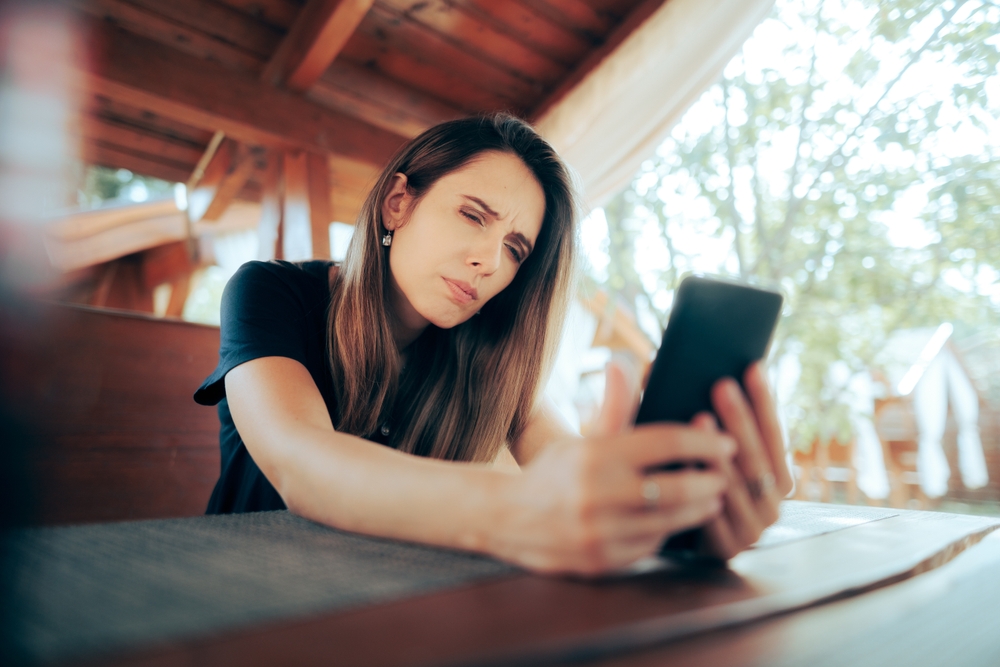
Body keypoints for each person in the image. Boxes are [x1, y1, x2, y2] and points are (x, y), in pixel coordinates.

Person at [194, 114, 792, 575]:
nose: (488, 260)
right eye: (473, 215)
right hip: (239, 594)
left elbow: (563, 462)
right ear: (398, 202)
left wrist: (652, 508)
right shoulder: (269, 292)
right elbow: (303, 466)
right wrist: (514, 511)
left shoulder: (486, 352)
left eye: (514, 249)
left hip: (385, 604)